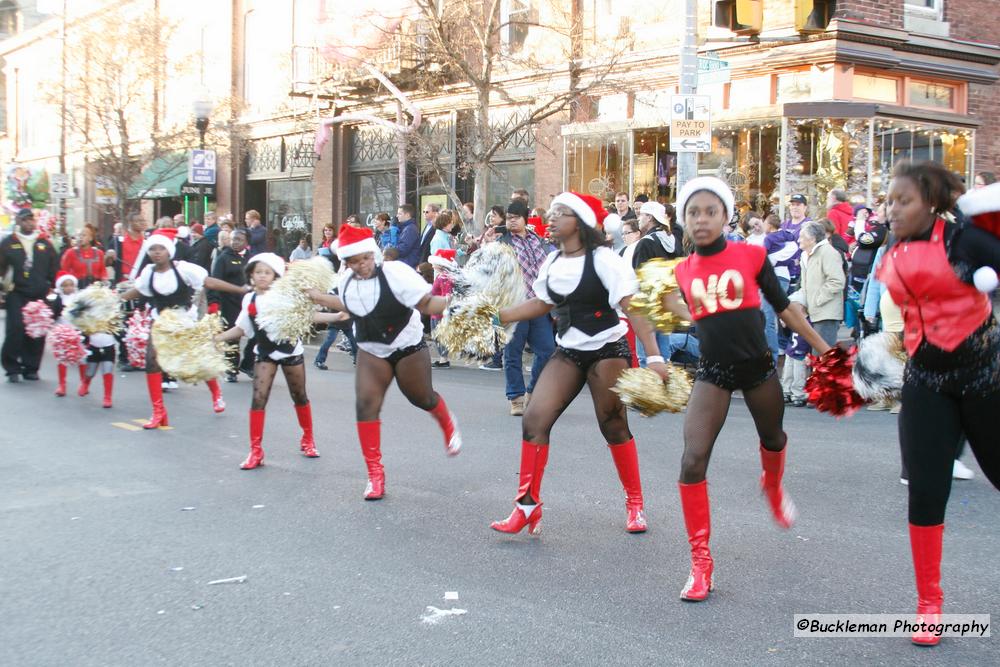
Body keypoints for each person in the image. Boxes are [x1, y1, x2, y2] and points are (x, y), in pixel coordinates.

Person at [660, 177, 832, 601]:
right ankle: (701, 564)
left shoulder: (751, 255)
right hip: (713, 372)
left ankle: (772, 486)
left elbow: (785, 308)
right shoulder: (683, 269)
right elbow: (680, 307)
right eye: (693, 213)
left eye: (710, 212)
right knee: (691, 460)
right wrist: (681, 311)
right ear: (684, 220)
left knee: (772, 437)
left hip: (757, 368)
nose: (701, 220)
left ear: (725, 216)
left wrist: (824, 350)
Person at [489, 191, 670, 536]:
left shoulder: (605, 260)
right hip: (569, 350)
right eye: (552, 212)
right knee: (534, 418)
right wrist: (498, 316)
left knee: (613, 424)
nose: (552, 218)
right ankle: (527, 506)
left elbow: (634, 309)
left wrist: (656, 357)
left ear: (582, 222)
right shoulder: (553, 261)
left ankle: (635, 503)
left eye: (561, 213)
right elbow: (541, 304)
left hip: (607, 348)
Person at [876, 161, 1000, 646]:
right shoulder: (894, 244)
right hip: (926, 379)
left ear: (930, 202)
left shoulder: (964, 240)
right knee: (926, 489)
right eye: (889, 200)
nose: (892, 209)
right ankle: (929, 605)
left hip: (984, 377)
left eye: (902, 200)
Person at [306, 225, 463, 500]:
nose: (361, 265)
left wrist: (454, 303)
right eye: (353, 261)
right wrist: (318, 297)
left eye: (365, 258)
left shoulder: (397, 273)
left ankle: (447, 423)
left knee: (421, 397)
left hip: (406, 344)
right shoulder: (346, 282)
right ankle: (375, 476)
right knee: (366, 406)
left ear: (374, 254)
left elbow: (427, 304)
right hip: (371, 349)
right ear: (346, 262)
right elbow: (346, 303)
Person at [215, 253, 338, 469]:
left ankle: (308, 439)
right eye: (258, 272)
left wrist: (335, 317)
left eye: (267, 272)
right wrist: (217, 338)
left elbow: (307, 317)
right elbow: (243, 328)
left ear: (275, 275)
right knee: (258, 398)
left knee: (299, 396)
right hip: (264, 352)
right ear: (251, 275)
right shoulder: (250, 299)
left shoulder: (287, 296)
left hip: (290, 351)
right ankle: (255, 451)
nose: (262, 276)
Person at [118, 234, 245, 429]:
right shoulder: (148, 273)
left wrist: (240, 290)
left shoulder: (184, 269)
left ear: (169, 251)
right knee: (152, 361)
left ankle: (216, 394)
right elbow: (139, 290)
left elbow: (209, 282)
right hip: (159, 321)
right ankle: (158, 412)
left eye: (161, 248)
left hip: (184, 320)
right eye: (153, 249)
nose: (157, 252)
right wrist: (117, 298)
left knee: (198, 360)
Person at [497, 200, 556, 415]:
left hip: (539, 304)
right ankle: (515, 397)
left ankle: (533, 391)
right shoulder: (502, 244)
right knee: (513, 353)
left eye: (515, 217)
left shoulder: (540, 242)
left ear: (525, 218)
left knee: (547, 350)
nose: (511, 221)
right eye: (508, 218)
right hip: (514, 305)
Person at [0, 209, 59, 382]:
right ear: (18, 221)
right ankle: (12, 368)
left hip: (39, 294)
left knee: (36, 331)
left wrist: (51, 286)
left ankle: (31, 367)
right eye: (24, 220)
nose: (28, 223)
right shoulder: (8, 243)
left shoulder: (44, 243)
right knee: (16, 329)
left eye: (31, 220)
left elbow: (54, 266)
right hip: (16, 292)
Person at [795, 220, 845, 349]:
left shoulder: (828, 252)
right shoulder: (805, 256)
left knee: (823, 358)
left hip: (826, 313)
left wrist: (817, 300)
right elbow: (805, 286)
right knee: (816, 359)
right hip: (814, 313)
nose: (798, 240)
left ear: (811, 239)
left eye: (801, 237)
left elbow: (837, 281)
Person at [208, 228, 250, 382]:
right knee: (233, 336)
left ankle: (248, 364)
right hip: (229, 303)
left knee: (255, 335)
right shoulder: (223, 258)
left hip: (247, 303)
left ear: (246, 242)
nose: (235, 242)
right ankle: (231, 369)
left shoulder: (250, 259)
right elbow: (214, 281)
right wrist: (214, 302)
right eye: (233, 239)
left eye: (239, 239)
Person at [428, 249, 456, 369]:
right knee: (437, 335)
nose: (433, 265)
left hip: (439, 311)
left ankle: (443, 359)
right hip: (436, 310)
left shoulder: (444, 277)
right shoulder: (442, 276)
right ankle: (442, 358)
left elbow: (447, 296)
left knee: (439, 335)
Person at [60, 224, 107, 288]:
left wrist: (104, 280)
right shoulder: (70, 252)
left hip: (96, 289)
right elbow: (64, 272)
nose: (80, 237)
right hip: (77, 288)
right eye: (79, 235)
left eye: (83, 235)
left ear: (91, 238)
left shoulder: (99, 253)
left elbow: (103, 271)